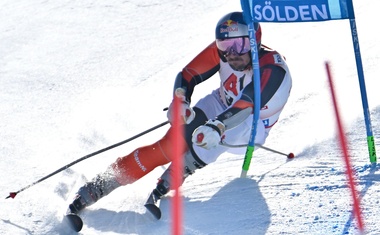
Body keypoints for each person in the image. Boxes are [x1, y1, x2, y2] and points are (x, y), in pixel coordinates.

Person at [67, 11, 292, 218]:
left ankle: (184, 166)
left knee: (213, 137)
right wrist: (180, 100)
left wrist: (217, 126)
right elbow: (188, 74)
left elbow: (247, 104)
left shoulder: (272, 68)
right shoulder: (224, 54)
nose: (231, 54)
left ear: (255, 41)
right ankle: (100, 185)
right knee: (168, 145)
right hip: (221, 103)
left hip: (251, 125)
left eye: (239, 44)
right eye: (224, 45)